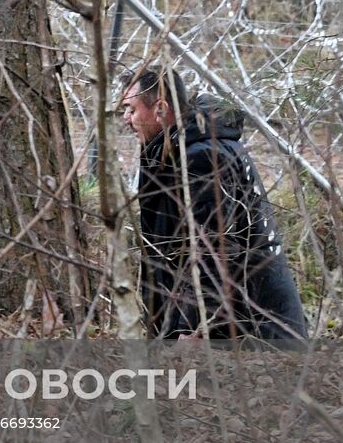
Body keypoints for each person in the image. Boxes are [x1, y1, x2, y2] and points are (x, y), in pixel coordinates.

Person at [120, 67, 307, 343]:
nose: (126, 119)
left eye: (131, 109)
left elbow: (215, 252)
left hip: (249, 334)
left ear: (160, 108)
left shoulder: (203, 157)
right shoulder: (177, 148)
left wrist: (199, 329)